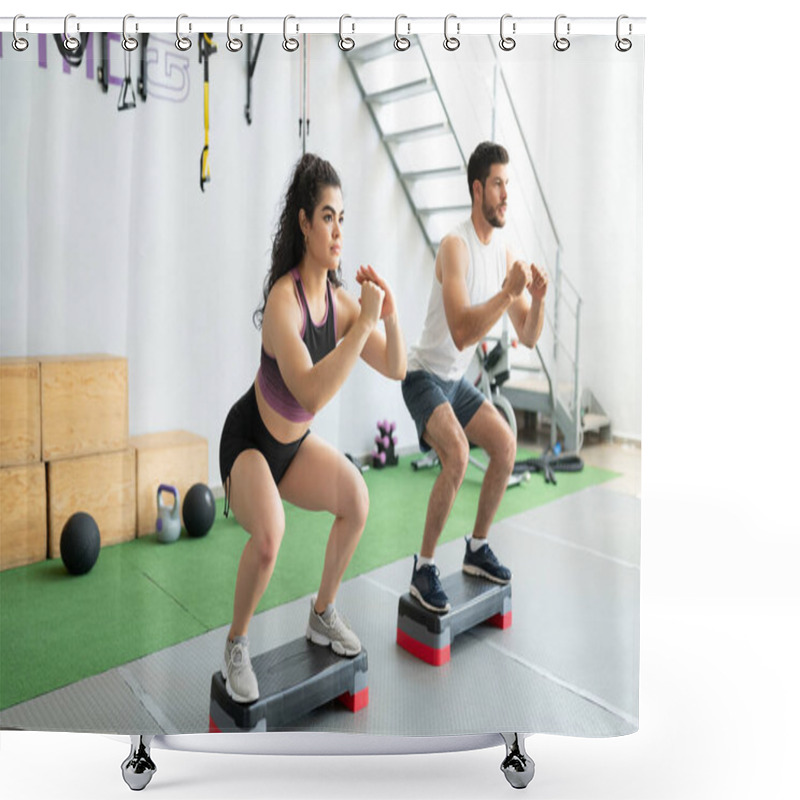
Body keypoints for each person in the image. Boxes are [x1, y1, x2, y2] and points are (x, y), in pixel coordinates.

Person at [218, 153, 406, 703]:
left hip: (292, 448)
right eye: (327, 216)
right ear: (303, 222)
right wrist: (366, 321)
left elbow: (394, 367)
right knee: (270, 536)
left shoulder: (341, 304)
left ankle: (322, 614)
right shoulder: (285, 301)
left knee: (357, 497)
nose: (338, 229)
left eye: (342, 217)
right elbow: (312, 392)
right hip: (250, 441)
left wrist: (387, 314)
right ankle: (235, 644)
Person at [401, 141, 548, 613]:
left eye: (510, 184)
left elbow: (527, 334)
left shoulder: (503, 254)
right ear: (478, 188)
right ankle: (423, 569)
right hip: (423, 375)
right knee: (458, 456)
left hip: (455, 381)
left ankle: (477, 548)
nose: (507, 194)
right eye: (499, 184)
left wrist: (537, 298)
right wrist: (509, 293)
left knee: (505, 445)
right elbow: (463, 332)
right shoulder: (454, 247)